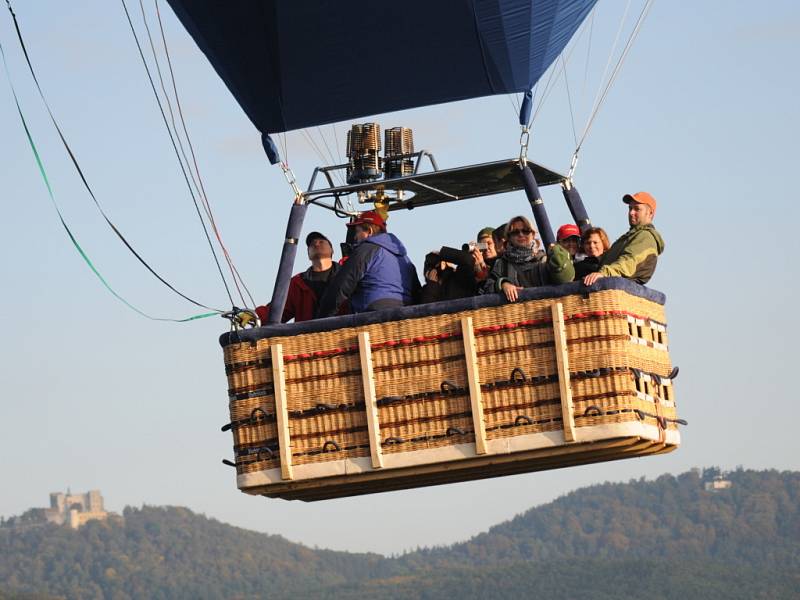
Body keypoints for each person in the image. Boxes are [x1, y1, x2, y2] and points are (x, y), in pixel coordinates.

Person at [317, 211, 420, 316]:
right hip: (405, 317)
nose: (355, 237)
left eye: (357, 232)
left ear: (369, 231)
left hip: (373, 316)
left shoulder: (366, 249)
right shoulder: (405, 259)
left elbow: (341, 287)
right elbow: (417, 294)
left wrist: (321, 320)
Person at [255, 232, 343, 323]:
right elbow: (277, 310)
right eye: (312, 244)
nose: (316, 244)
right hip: (310, 336)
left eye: (321, 242)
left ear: (332, 250)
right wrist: (255, 316)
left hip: (346, 334)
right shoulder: (297, 283)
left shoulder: (346, 274)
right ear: (308, 254)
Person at [484, 215, 574, 302]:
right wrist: (503, 284)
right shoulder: (502, 264)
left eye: (526, 231)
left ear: (533, 234)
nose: (521, 234)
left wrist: (557, 253)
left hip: (547, 313)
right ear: (509, 237)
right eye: (515, 232)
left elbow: (565, 280)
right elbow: (487, 289)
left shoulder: (544, 260)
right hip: (516, 315)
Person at [583, 192, 664, 286]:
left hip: (619, 289)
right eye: (630, 208)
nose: (631, 212)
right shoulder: (629, 237)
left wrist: (603, 273)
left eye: (637, 209)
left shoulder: (645, 237)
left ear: (650, 213)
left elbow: (628, 262)